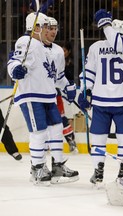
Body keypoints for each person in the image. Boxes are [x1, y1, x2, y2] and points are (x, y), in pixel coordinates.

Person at [7, 12, 79, 185]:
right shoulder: (27, 41)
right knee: (38, 131)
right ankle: (37, 168)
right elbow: (14, 61)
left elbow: (56, 76)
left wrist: (68, 87)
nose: (49, 31)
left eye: (51, 27)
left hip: (49, 95)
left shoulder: (53, 51)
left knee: (56, 127)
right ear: (35, 27)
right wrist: (15, 69)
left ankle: (57, 165)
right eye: (45, 27)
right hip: (31, 94)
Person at [77, 19, 123, 185]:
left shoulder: (96, 47)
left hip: (100, 101)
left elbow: (88, 73)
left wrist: (85, 91)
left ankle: (98, 171)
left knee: (98, 137)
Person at [44, 17, 78, 154]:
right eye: (50, 29)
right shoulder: (47, 53)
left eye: (54, 29)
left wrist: (68, 87)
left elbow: (62, 77)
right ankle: (45, 145)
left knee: (60, 119)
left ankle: (70, 141)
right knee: (48, 121)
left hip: (56, 93)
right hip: (47, 93)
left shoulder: (61, 57)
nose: (53, 31)